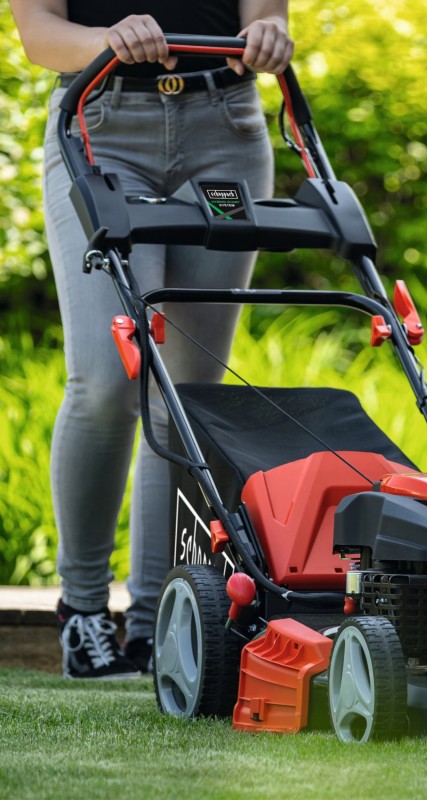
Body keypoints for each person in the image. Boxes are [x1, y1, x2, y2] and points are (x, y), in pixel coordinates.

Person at [9, 1, 293, 678]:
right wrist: (106, 39)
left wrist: (269, 37)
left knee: (185, 398)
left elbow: (270, 17)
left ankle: (156, 623)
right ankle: (83, 612)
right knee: (107, 381)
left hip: (226, 129)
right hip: (102, 124)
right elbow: (39, 35)